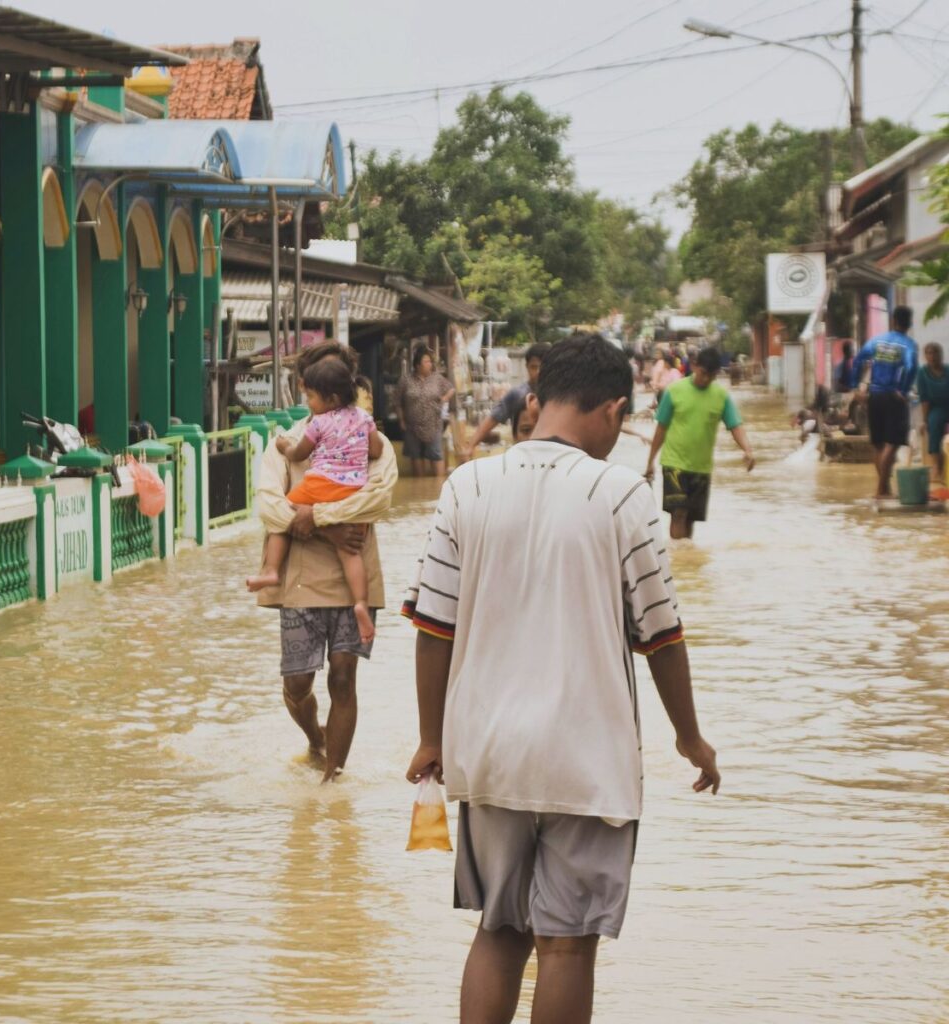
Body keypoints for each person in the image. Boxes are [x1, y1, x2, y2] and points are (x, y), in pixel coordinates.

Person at [404, 334, 720, 1024]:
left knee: (498, 927)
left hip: (487, 749)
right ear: (611, 409)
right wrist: (691, 739)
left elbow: (433, 630)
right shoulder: (624, 497)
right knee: (568, 946)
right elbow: (663, 638)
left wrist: (431, 739)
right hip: (587, 758)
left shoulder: (467, 485)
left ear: (540, 397)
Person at [255, 342, 398, 782]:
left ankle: (332, 778)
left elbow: (379, 497)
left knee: (343, 677)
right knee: (298, 684)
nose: (309, 396)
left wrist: (313, 517)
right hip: (300, 578)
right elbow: (270, 507)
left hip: (354, 574)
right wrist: (330, 525)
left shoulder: (373, 439)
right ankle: (315, 740)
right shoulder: (287, 444)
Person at [249, 359, 383, 644]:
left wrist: (283, 444)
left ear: (331, 398)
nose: (307, 402)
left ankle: (271, 570)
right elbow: (377, 449)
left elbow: (297, 457)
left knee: (284, 512)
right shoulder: (364, 419)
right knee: (351, 554)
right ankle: (361, 601)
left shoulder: (319, 423)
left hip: (319, 485)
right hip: (352, 493)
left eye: (310, 396)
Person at [644, 346, 755, 540]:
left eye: (711, 376)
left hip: (701, 467)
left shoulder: (721, 396)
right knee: (679, 514)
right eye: (703, 373)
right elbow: (661, 428)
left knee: (691, 519)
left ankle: (686, 564)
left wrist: (747, 450)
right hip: (674, 464)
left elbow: (735, 425)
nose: (705, 380)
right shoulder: (674, 391)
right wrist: (650, 461)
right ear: (694, 366)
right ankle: (678, 562)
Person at [852, 305, 919, 498]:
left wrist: (856, 387)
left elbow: (858, 361)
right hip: (893, 397)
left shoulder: (877, 341)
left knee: (880, 445)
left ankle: (885, 489)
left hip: (874, 396)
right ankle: (881, 489)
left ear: (893, 321)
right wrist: (903, 389)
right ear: (909, 323)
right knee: (893, 443)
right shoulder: (908, 344)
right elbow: (911, 367)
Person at [463, 342, 551, 459]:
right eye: (534, 367)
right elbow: (492, 419)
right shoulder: (517, 394)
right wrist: (471, 446)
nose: (538, 372)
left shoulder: (558, 396)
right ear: (527, 367)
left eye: (542, 367)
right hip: (523, 455)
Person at [394, 346, 455, 477]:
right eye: (426, 362)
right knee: (415, 456)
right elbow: (397, 402)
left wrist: (444, 398)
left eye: (430, 361)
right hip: (412, 426)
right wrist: (401, 420)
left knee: (436, 455)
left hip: (433, 424)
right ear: (417, 365)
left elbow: (451, 389)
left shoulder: (437, 378)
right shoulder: (406, 380)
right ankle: (420, 488)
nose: (430, 364)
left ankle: (439, 487)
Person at [918, 341, 949, 482]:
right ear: (925, 356)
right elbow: (924, 399)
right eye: (929, 353)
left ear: (940, 355)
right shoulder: (922, 373)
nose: (932, 356)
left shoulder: (947, 370)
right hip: (936, 408)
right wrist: (924, 421)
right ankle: (936, 467)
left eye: (935, 352)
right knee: (934, 424)